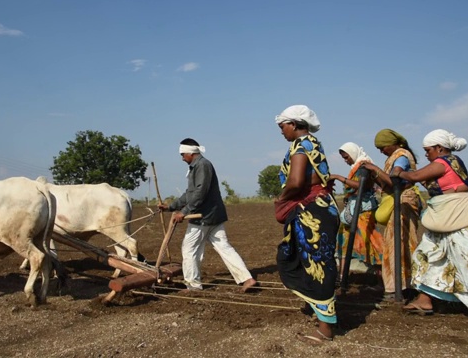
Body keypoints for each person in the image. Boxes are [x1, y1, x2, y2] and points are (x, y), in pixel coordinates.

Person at [396, 129, 468, 321]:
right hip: (444, 221)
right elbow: (416, 180)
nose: (426, 154)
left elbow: (415, 177)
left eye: (428, 150)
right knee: (428, 255)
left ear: (440, 148)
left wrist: (400, 171)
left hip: (463, 219)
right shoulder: (437, 165)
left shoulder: (447, 162)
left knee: (467, 261)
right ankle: (425, 299)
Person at [273, 105, 339, 344]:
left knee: (315, 266)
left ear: (293, 124)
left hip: (311, 212)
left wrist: (281, 199)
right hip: (323, 207)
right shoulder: (314, 144)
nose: (281, 132)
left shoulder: (301, 146)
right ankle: (319, 310)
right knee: (312, 261)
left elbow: (297, 181)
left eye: (282, 127)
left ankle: (325, 330)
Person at [157, 138, 258, 293]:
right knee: (224, 247)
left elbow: (199, 193)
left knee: (189, 249)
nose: (182, 158)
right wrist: (170, 207)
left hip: (202, 217)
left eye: (183, 154)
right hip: (213, 216)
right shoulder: (197, 166)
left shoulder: (202, 166)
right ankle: (247, 279)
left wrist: (183, 212)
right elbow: (189, 193)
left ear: (191, 153)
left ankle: (193, 286)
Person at [360, 129, 422, 300]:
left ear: (394, 144)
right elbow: (386, 183)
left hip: (404, 202)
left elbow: (394, 180)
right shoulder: (393, 157)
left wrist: (374, 168)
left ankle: (403, 286)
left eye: (383, 147)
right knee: (393, 243)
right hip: (395, 200)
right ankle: (396, 285)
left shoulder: (401, 156)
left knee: (400, 243)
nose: (381, 151)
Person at [329, 142, 384, 283]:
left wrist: (338, 177)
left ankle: (383, 278)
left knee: (370, 241)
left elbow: (363, 185)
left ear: (353, 153)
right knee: (342, 240)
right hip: (353, 210)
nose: (345, 160)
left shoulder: (364, 166)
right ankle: (341, 276)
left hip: (363, 210)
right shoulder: (356, 167)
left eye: (346, 157)